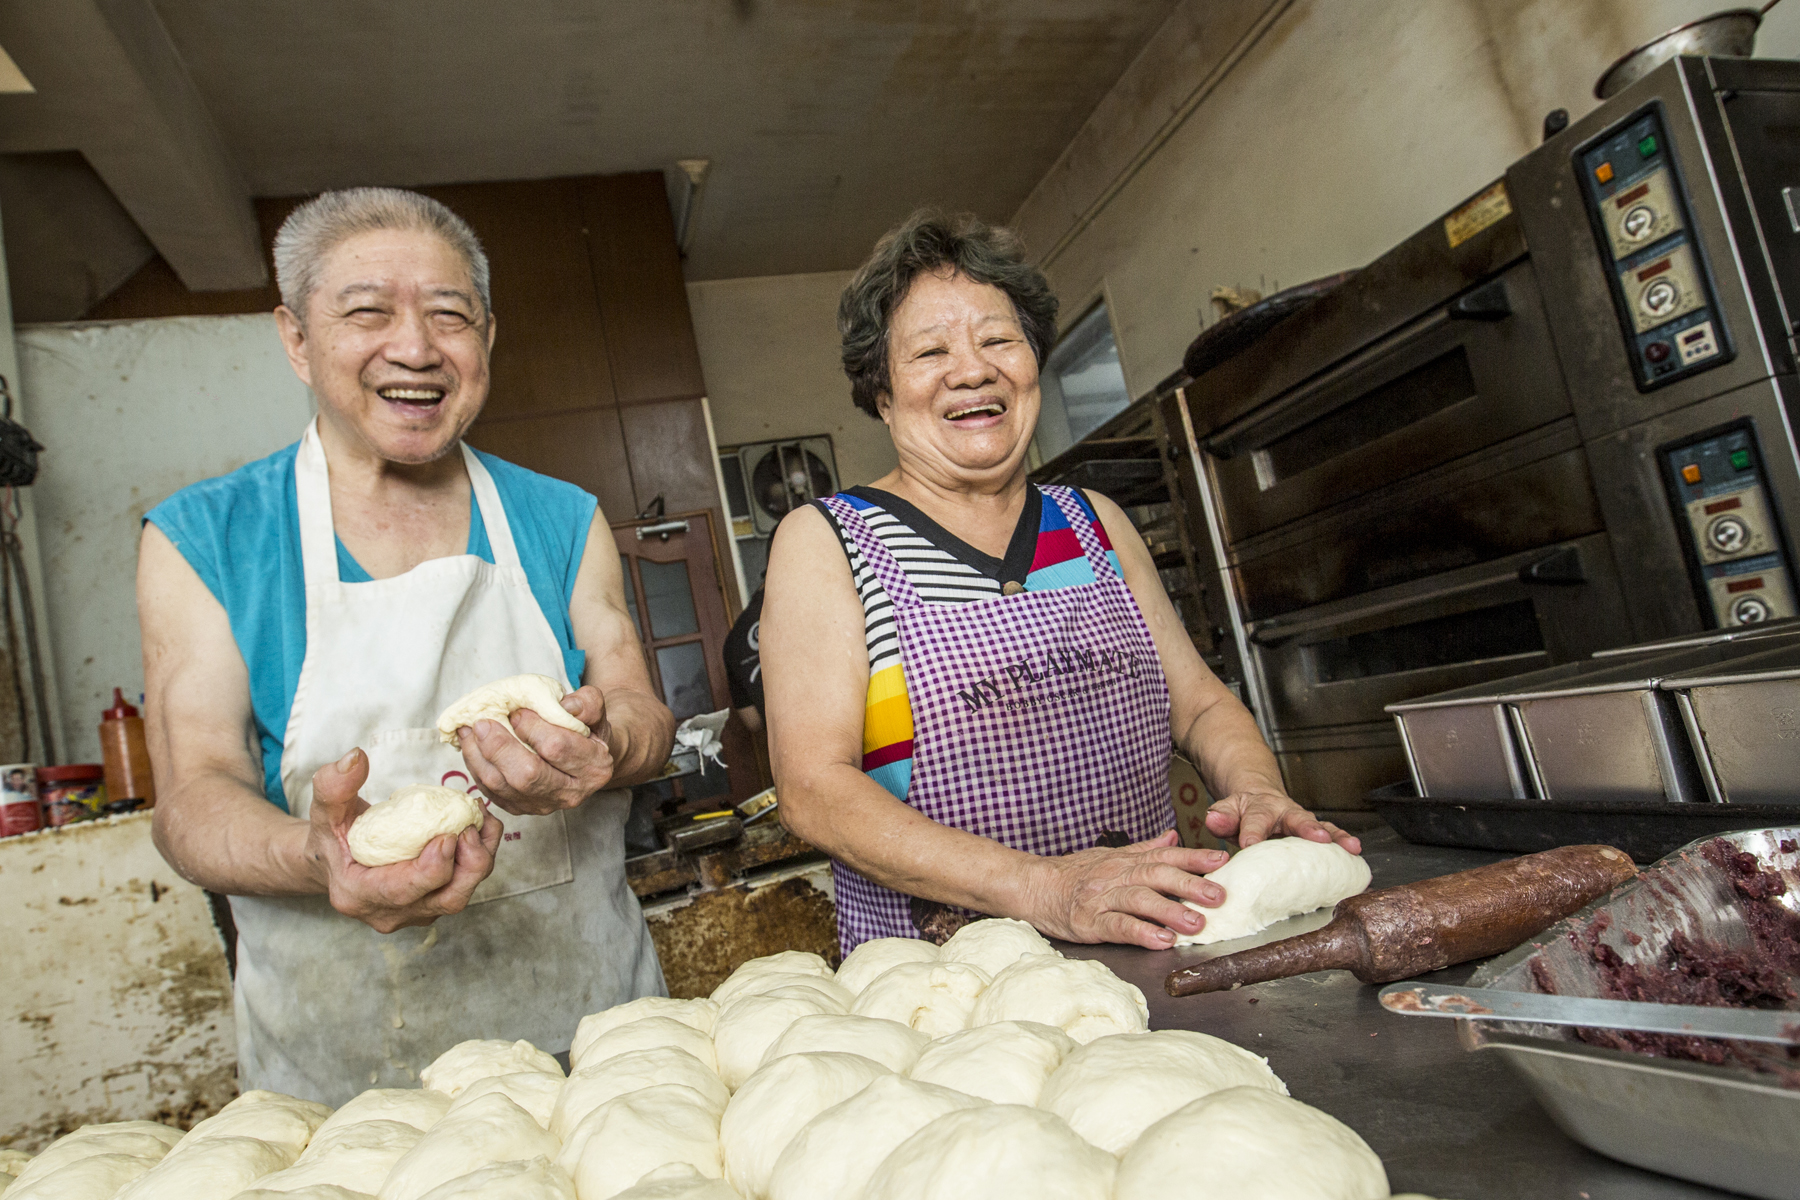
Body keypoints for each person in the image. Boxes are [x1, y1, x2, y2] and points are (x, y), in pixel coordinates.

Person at [137, 188, 674, 1103]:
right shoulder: (208, 539)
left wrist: (602, 748)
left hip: (598, 1051)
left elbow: (640, 713)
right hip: (352, 1087)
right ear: (296, 339)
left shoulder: (559, 517)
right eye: (367, 312)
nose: (416, 348)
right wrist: (317, 857)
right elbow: (193, 797)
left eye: (449, 315)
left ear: (488, 340)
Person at [760, 210, 1360, 954]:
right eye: (929, 351)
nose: (972, 369)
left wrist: (1258, 789)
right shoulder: (829, 542)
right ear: (881, 394)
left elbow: (1201, 706)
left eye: (998, 340)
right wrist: (1045, 889)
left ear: (1032, 361)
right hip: (950, 983)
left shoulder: (1093, 523)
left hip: (1150, 948)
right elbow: (815, 791)